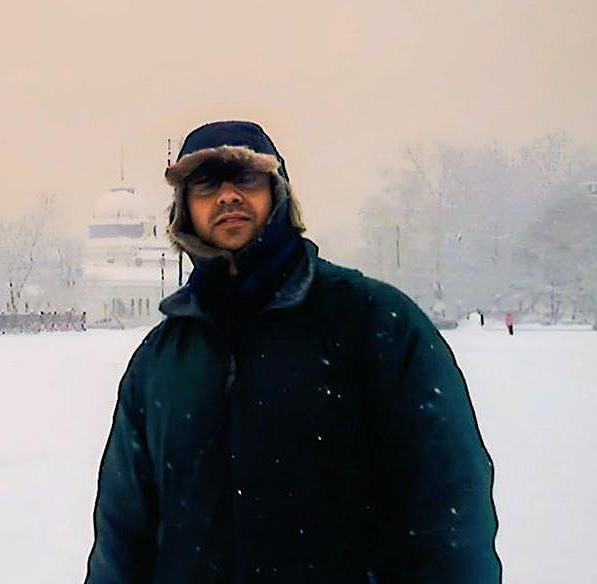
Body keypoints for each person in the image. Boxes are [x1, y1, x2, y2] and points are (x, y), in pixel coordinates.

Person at [85, 120, 500, 583]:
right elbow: (124, 533)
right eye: (205, 182)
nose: (227, 195)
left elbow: (448, 509)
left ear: (277, 192)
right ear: (184, 210)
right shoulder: (162, 362)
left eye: (244, 176)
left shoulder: (373, 323)